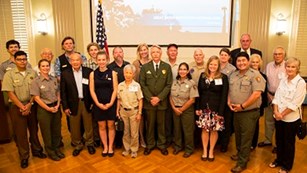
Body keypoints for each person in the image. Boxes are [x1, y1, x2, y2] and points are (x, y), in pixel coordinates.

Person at [1, 51, 46, 169]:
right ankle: (24, 156)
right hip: (16, 107)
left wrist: (30, 104)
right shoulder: (9, 74)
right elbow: (10, 93)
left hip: (32, 105)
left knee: (34, 129)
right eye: (20, 59)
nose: (22, 61)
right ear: (15, 60)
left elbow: (35, 90)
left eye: (24, 59)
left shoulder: (33, 73)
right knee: (20, 133)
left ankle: (37, 150)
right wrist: (22, 106)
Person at [228, 52, 265, 173]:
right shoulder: (233, 75)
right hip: (236, 111)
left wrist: (242, 106)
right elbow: (230, 90)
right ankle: (240, 154)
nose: (241, 63)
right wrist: (229, 101)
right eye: (238, 61)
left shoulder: (255, 75)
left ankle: (242, 163)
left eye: (244, 60)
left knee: (246, 138)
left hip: (248, 112)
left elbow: (256, 94)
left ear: (248, 61)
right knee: (238, 135)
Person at [269, 57, 306, 173]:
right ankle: (279, 160)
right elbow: (277, 97)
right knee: (279, 140)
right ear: (285, 68)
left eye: (293, 67)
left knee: (288, 143)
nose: (290, 69)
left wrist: (282, 114)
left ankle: (287, 165)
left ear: (297, 68)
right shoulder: (284, 79)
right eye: (288, 66)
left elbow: (295, 103)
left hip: (291, 119)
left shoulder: (301, 83)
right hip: (278, 116)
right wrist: (275, 111)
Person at [60, 53, 95, 156]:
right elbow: (63, 92)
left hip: (86, 102)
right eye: (73, 60)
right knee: (74, 127)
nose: (75, 62)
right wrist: (65, 107)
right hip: (72, 104)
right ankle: (78, 144)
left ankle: (89, 144)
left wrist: (93, 102)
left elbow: (92, 89)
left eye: (77, 60)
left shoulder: (88, 72)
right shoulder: (65, 73)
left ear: (81, 61)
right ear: (70, 62)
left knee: (88, 125)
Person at [140, 45, 172, 156]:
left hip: (162, 102)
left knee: (161, 125)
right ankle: (150, 145)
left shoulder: (166, 67)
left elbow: (168, 85)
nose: (155, 54)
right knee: (150, 125)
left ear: (161, 53)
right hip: (149, 103)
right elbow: (143, 85)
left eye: (157, 52)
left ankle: (162, 145)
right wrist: (151, 98)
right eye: (153, 52)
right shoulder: (145, 67)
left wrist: (159, 98)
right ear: (150, 54)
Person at [196, 56, 228, 162]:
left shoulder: (223, 77)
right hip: (204, 108)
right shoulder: (202, 76)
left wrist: (221, 112)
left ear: (218, 66)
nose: (212, 66)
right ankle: (205, 151)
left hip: (216, 109)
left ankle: (211, 151)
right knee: (204, 130)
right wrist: (198, 107)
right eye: (211, 64)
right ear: (208, 65)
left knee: (214, 130)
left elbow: (224, 96)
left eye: (215, 64)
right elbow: (199, 93)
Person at [30, 59, 64, 161]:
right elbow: (36, 98)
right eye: (43, 66)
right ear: (39, 68)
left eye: (47, 66)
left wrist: (58, 105)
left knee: (56, 130)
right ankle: (50, 151)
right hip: (44, 109)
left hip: (55, 107)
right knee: (47, 131)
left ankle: (57, 148)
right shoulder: (36, 81)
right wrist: (48, 108)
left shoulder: (53, 79)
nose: (45, 68)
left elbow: (58, 93)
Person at [258, 46, 286, 153]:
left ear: (284, 55)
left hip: (282, 99)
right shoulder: (269, 65)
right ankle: (268, 140)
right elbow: (265, 80)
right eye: (275, 54)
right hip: (269, 97)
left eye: (279, 54)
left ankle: (278, 144)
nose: (277, 56)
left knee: (279, 122)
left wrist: (277, 98)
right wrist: (269, 95)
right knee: (268, 121)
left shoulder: (286, 66)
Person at [89, 51, 118, 157]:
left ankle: (110, 146)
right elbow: (92, 90)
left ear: (107, 60)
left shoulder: (113, 73)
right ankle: (105, 146)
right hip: (98, 104)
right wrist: (97, 103)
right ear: (96, 61)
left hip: (111, 103)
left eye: (103, 59)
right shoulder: (92, 74)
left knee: (110, 125)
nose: (101, 62)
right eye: (99, 60)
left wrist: (111, 103)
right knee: (101, 126)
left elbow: (115, 89)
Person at [170, 62, 198, 158]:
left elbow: (192, 99)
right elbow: (170, 96)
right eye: (180, 69)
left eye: (184, 69)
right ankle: (178, 147)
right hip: (175, 110)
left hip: (187, 110)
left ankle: (189, 149)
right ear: (178, 71)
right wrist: (174, 108)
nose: (182, 71)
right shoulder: (174, 82)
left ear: (187, 71)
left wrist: (181, 109)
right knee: (177, 130)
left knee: (188, 131)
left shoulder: (191, 83)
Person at [117, 64, 143, 158]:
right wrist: (117, 111)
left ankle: (134, 149)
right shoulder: (120, 85)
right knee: (126, 131)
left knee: (134, 132)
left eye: (130, 73)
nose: (128, 75)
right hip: (123, 111)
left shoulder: (136, 85)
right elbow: (119, 100)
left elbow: (140, 99)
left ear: (133, 74)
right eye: (126, 73)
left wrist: (139, 113)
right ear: (124, 74)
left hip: (134, 112)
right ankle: (126, 148)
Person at [107, 46, 130, 148]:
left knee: (126, 122)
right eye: (116, 52)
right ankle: (118, 142)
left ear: (123, 53)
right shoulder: (109, 67)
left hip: (128, 98)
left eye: (120, 52)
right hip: (115, 98)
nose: (118, 54)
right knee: (117, 121)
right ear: (113, 55)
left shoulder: (128, 65)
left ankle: (127, 142)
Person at [132, 43, 150, 148]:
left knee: (149, 120)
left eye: (145, 50)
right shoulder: (135, 63)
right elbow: (132, 80)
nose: (143, 52)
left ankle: (149, 139)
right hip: (139, 96)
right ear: (138, 52)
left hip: (149, 95)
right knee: (140, 120)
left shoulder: (152, 62)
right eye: (141, 50)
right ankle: (142, 139)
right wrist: (135, 95)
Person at [83, 42, 101, 147]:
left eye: (95, 49)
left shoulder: (103, 62)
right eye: (91, 50)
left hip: (103, 94)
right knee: (93, 118)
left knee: (102, 118)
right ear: (89, 52)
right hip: (90, 94)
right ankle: (96, 138)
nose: (94, 52)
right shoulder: (85, 64)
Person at [218, 48, 236, 153]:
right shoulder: (216, 66)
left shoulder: (233, 69)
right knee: (218, 121)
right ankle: (218, 141)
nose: (223, 57)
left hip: (228, 98)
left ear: (229, 57)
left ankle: (225, 143)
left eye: (225, 55)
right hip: (218, 98)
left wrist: (228, 99)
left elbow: (232, 86)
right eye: (222, 55)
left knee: (227, 122)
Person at [249, 54, 268, 150]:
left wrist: (262, 107)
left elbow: (264, 93)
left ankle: (253, 144)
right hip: (247, 104)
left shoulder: (263, 76)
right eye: (253, 62)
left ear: (260, 63)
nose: (255, 64)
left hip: (258, 105)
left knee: (255, 125)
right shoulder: (247, 74)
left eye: (257, 62)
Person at [165, 43, 181, 146]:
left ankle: (177, 141)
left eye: (174, 50)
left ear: (177, 52)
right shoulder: (163, 64)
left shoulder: (181, 65)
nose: (173, 52)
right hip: (165, 95)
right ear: (167, 52)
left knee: (176, 120)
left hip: (177, 96)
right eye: (171, 50)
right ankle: (167, 140)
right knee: (167, 119)